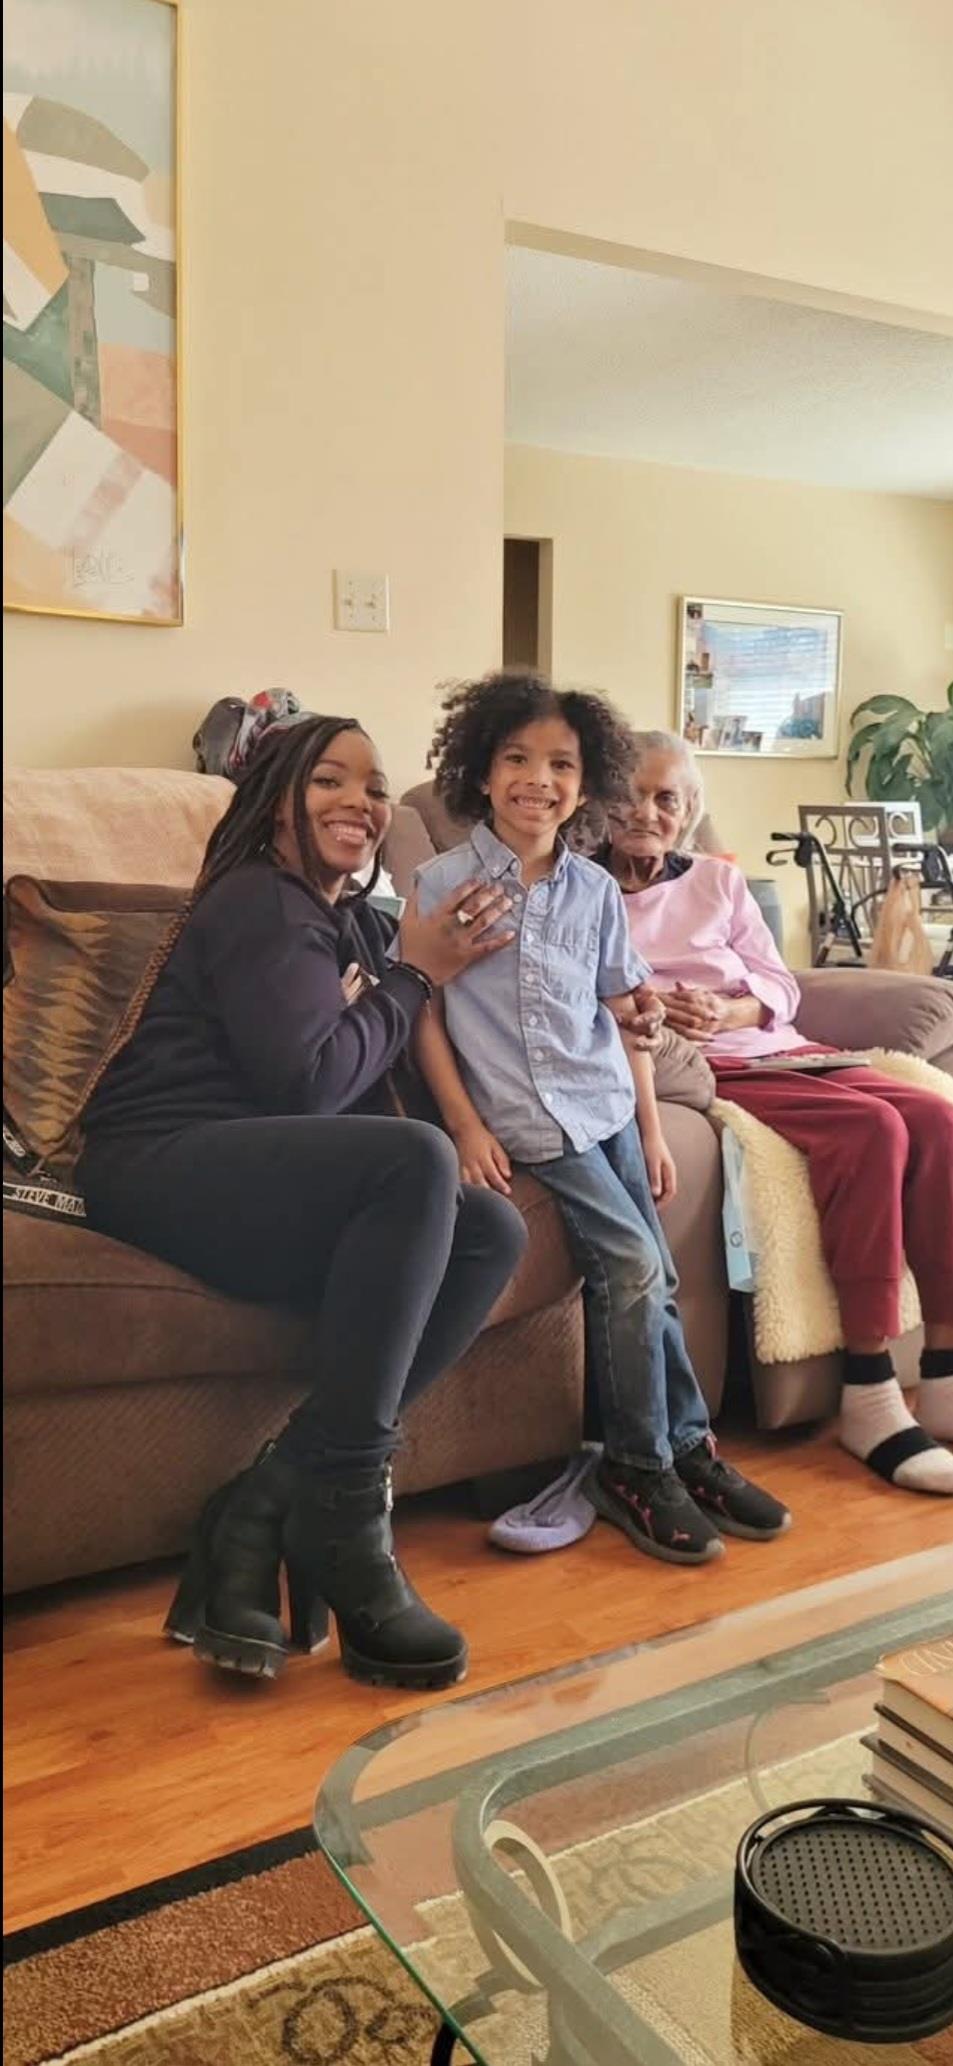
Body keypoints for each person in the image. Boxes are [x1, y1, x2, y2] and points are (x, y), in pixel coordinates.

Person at [78, 715, 529, 1689]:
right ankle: (347, 1513)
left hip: (255, 1178)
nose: (359, 802)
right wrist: (411, 975)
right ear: (275, 800)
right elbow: (310, 1084)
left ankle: (261, 1501)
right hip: (159, 1160)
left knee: (491, 1227)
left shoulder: (349, 923)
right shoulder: (261, 900)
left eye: (374, 787)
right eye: (329, 779)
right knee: (413, 1162)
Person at [411, 670, 790, 1566]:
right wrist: (464, 1125)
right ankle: (633, 1465)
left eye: (561, 765)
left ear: (587, 786)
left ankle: (688, 1447)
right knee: (628, 1264)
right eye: (516, 759)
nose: (537, 780)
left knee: (657, 1274)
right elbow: (421, 1009)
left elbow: (623, 1010)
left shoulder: (590, 890)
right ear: (481, 769)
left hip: (608, 1107)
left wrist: (650, 1115)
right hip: (528, 1123)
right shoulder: (441, 883)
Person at [602, 728, 953, 1498]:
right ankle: (868, 1389)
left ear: (689, 811)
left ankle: (943, 1370)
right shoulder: (583, 889)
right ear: (599, 800)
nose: (648, 812)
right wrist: (658, 1009)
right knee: (872, 1128)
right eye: (630, 793)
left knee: (935, 1119)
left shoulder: (718, 884)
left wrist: (729, 1010)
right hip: (699, 1065)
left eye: (667, 798)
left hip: (770, 1045)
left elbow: (778, 984)